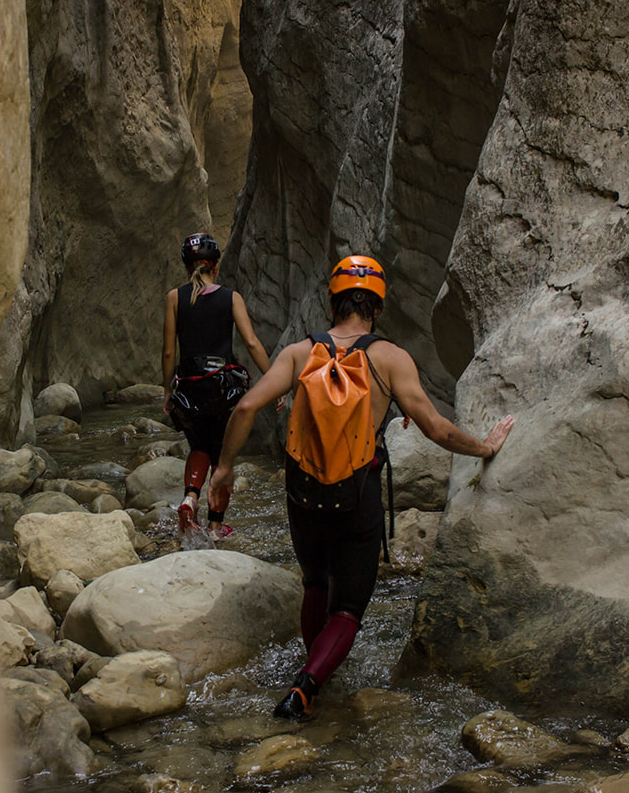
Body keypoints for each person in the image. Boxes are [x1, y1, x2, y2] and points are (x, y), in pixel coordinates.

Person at [208, 255, 514, 719]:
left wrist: (224, 470)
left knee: (315, 583)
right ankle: (305, 688)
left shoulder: (297, 353)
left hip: (301, 491)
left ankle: (315, 672)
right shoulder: (389, 358)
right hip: (357, 492)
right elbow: (435, 428)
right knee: (348, 606)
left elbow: (247, 407)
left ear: (333, 303)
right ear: (377, 306)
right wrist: (484, 449)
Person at [161, 232, 272, 542]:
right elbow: (251, 342)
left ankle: (190, 499)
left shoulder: (174, 298)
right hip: (222, 390)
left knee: (198, 446)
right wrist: (274, 379)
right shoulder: (230, 297)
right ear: (217, 265)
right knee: (223, 455)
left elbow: (169, 351)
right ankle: (215, 527)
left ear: (187, 267)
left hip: (189, 390)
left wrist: (168, 391)